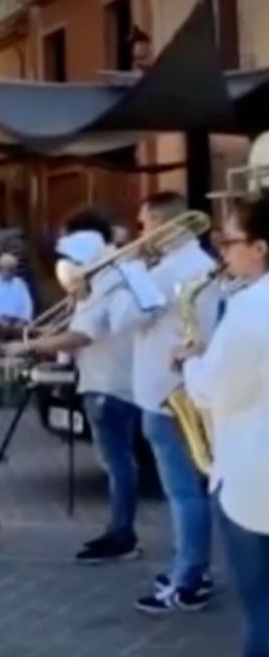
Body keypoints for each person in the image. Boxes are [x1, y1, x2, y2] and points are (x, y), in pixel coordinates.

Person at [7, 212, 143, 563]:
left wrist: (30, 346)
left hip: (109, 382)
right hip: (108, 379)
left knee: (117, 464)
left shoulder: (108, 278)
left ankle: (122, 536)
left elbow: (84, 334)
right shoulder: (103, 274)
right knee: (118, 463)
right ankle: (120, 531)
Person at [107, 191, 220, 613]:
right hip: (185, 387)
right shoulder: (200, 262)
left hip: (164, 394)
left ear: (160, 223)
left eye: (144, 224)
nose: (141, 232)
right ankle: (191, 567)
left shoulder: (164, 271)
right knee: (190, 489)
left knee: (183, 492)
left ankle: (187, 578)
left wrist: (129, 271)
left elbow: (122, 320)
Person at [179, 196, 269, 657]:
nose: (223, 254)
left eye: (229, 241)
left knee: (262, 612)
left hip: (254, 482)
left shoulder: (251, 307)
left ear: (261, 248)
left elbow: (216, 390)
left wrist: (191, 362)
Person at [0, 253, 34, 341]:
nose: (12, 272)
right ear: (0, 268)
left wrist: (22, 320)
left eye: (13, 269)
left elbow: (27, 306)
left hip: (17, 326)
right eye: (9, 269)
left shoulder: (20, 284)